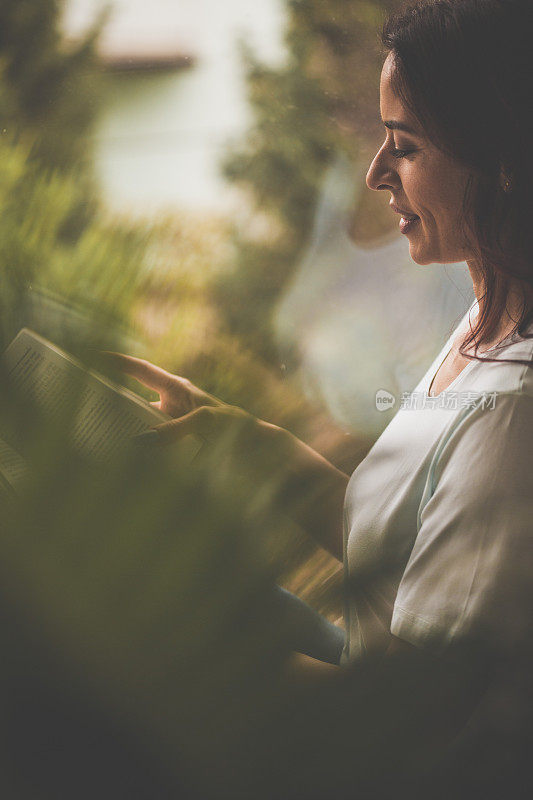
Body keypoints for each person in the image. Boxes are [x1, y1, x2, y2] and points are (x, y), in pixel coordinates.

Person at [108, 0, 533, 782]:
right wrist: (237, 437)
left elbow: (413, 716)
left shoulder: (512, 420)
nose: (374, 172)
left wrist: (152, 659)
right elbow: (400, 547)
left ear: (500, 157)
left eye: (402, 147)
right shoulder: (488, 322)